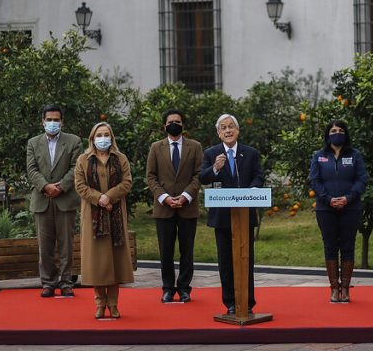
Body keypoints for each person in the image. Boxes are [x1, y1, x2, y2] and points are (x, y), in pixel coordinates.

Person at [200, 114, 264, 315]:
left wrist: (251, 192)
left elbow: (259, 176)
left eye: (231, 127)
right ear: (218, 133)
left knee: (246, 259)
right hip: (222, 216)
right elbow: (202, 177)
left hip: (245, 215)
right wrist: (215, 168)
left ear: (238, 130)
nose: (228, 130)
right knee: (226, 262)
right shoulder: (211, 153)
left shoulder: (250, 153)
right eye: (223, 128)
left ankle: (247, 302)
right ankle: (230, 302)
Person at [74, 122, 134, 318]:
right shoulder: (83, 159)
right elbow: (80, 185)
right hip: (93, 218)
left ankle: (113, 304)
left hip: (115, 216)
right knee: (97, 263)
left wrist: (109, 196)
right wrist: (99, 198)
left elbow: (127, 182)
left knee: (115, 261)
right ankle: (100, 303)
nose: (103, 138)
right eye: (99, 135)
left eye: (106, 134)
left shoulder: (120, 158)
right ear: (92, 138)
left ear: (111, 137)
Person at [145, 109, 204, 303]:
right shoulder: (156, 147)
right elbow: (151, 176)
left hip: (188, 207)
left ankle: (184, 288)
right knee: (166, 251)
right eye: (170, 122)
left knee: (187, 251)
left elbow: (199, 174)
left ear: (183, 125)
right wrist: (164, 197)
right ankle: (168, 288)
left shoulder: (195, 147)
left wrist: (186, 196)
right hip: (164, 207)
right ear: (164, 126)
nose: (174, 124)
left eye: (178, 122)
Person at [26, 104, 82, 298]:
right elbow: (32, 169)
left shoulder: (74, 141)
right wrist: (45, 186)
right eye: (49, 119)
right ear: (42, 122)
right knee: (45, 246)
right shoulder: (33, 143)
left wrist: (61, 187)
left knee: (66, 245)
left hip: (65, 199)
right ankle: (48, 283)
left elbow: (76, 167)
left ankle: (66, 283)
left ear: (62, 122)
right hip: (42, 200)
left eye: (56, 120)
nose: (52, 123)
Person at [309, 119, 367, 303]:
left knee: (348, 246)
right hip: (325, 209)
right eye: (333, 131)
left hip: (351, 207)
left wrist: (348, 198)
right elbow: (314, 180)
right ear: (328, 135)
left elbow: (361, 179)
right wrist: (328, 199)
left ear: (346, 134)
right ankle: (334, 288)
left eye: (341, 130)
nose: (337, 133)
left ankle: (346, 288)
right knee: (330, 246)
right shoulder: (319, 156)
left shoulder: (355, 155)